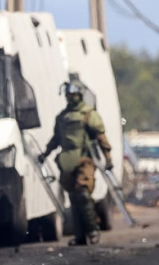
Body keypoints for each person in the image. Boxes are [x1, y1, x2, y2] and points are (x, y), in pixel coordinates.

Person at [38, 82, 112, 246]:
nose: (70, 97)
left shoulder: (88, 114)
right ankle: (80, 235)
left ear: (80, 95)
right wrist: (45, 153)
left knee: (83, 194)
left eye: (74, 94)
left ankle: (93, 231)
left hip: (84, 159)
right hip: (66, 160)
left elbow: (100, 137)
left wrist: (108, 158)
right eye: (68, 94)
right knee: (73, 197)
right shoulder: (62, 117)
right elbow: (56, 138)